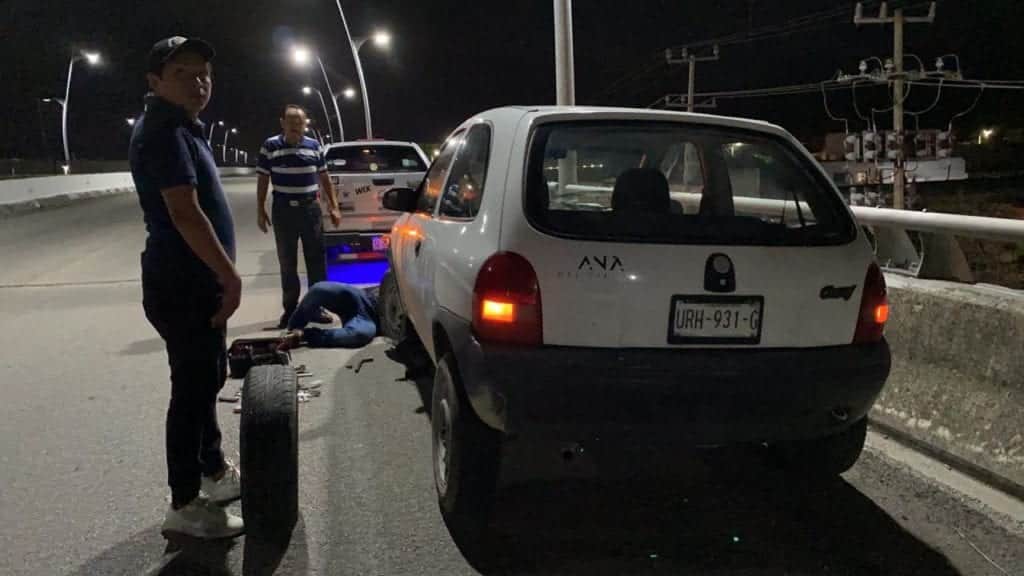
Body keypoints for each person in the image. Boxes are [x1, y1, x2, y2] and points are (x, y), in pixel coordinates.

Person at [129, 36, 243, 539]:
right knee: (193, 389)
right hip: (182, 281)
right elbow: (184, 211)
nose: (198, 82)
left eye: (204, 74)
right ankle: (183, 502)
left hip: (195, 280)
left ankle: (212, 470)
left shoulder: (184, 127)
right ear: (155, 83)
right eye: (183, 74)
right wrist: (229, 275)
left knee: (209, 377)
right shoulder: (163, 131)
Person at [256, 106, 342, 328]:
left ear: (305, 124)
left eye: (300, 121)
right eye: (291, 121)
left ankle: (316, 307)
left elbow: (325, 178)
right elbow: (263, 179)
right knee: (287, 262)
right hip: (283, 211)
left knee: (317, 261)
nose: (296, 125)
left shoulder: (314, 147)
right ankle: (291, 311)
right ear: (282, 122)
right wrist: (260, 208)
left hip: (310, 210)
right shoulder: (270, 146)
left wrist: (334, 207)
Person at [279, 282, 379, 350]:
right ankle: (292, 330)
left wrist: (305, 336)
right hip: (363, 296)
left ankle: (301, 336)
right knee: (319, 289)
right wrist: (295, 326)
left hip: (371, 317)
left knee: (359, 334)